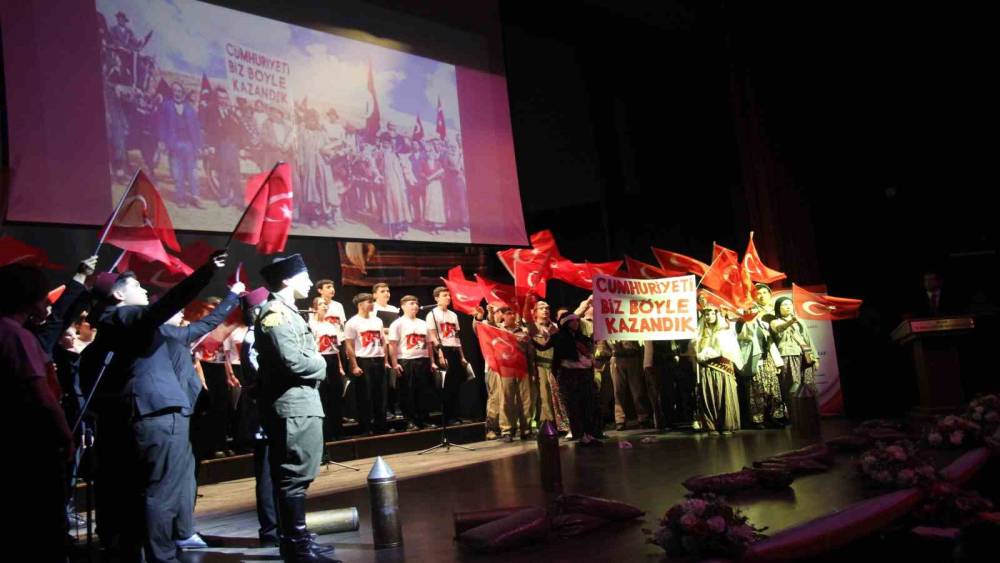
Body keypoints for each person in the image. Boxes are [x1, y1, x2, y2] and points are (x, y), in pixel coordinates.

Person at [254, 254, 336, 561]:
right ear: (287, 280)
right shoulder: (275, 313)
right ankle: (296, 545)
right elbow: (293, 360)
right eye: (304, 277)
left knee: (299, 474)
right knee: (293, 475)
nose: (311, 283)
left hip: (301, 403)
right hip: (292, 405)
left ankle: (298, 537)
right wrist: (322, 364)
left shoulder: (287, 312)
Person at [693, 304, 743, 435]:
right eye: (706, 314)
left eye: (712, 314)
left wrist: (702, 355)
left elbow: (722, 350)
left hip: (722, 368)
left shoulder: (724, 331)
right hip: (706, 369)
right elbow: (694, 349)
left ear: (717, 315)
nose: (709, 317)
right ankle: (711, 426)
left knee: (723, 395)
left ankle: (727, 424)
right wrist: (695, 350)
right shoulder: (700, 333)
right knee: (708, 395)